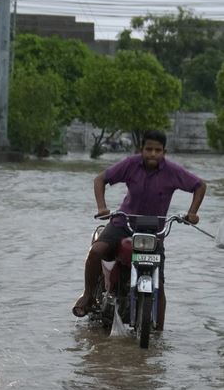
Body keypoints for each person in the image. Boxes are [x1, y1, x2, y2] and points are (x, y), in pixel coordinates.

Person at [72, 129, 206, 329]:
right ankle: (88, 295)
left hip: (153, 232)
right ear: (141, 149)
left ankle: (159, 330)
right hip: (122, 224)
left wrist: (192, 213)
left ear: (164, 152)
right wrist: (102, 207)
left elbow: (200, 185)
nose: (153, 154)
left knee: (158, 280)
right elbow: (100, 179)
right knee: (96, 251)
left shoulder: (172, 171)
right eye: (149, 149)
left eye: (158, 150)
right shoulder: (130, 164)